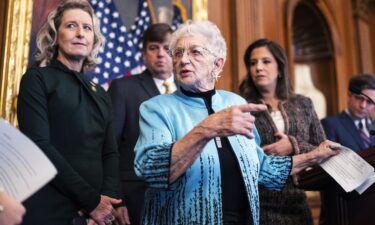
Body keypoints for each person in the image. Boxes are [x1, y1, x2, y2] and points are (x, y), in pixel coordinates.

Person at [134, 20, 339, 225]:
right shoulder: (156, 108)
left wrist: (313, 156)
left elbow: (261, 169)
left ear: (217, 63)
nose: (183, 60)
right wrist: (209, 128)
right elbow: (152, 171)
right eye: (178, 53)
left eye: (195, 52)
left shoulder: (234, 102)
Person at [17, 0, 129, 224]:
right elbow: (38, 144)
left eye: (87, 28)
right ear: (55, 35)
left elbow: (110, 153)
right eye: (71, 26)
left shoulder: (100, 93)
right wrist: (91, 202)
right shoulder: (37, 79)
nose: (80, 33)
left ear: (94, 39)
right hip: (49, 208)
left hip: (94, 216)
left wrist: (105, 204)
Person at [238, 38, 326, 225]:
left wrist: (293, 145)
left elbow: (322, 149)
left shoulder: (303, 104)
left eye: (266, 61)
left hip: (299, 201)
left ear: (280, 67)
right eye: (253, 63)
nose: (258, 68)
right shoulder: (241, 105)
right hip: (259, 204)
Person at [107, 23, 175, 225]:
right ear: (144, 54)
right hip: (136, 196)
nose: (161, 54)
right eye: (153, 48)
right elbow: (110, 146)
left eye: (167, 48)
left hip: (183, 196)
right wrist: (117, 200)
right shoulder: (123, 88)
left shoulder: (190, 90)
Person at [321, 74, 375, 151]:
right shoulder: (330, 124)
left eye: (369, 102)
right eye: (359, 98)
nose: (363, 105)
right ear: (349, 96)